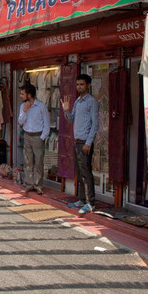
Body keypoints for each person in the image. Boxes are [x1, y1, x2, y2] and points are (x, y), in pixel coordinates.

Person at [61, 74, 100, 214]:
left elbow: (95, 124)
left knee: (86, 173)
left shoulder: (92, 102)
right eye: (77, 84)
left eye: (82, 84)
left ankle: (90, 203)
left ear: (88, 85)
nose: (79, 87)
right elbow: (71, 119)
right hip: (77, 141)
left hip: (85, 142)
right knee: (79, 172)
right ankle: (82, 200)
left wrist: (88, 143)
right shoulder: (78, 101)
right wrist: (66, 110)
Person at [18, 83, 50, 195]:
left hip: (38, 136)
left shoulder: (41, 106)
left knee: (39, 162)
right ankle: (29, 184)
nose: (21, 96)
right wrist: (24, 111)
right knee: (28, 161)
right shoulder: (23, 106)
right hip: (27, 135)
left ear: (29, 94)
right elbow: (20, 122)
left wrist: (42, 137)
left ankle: (38, 185)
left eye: (23, 93)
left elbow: (47, 123)